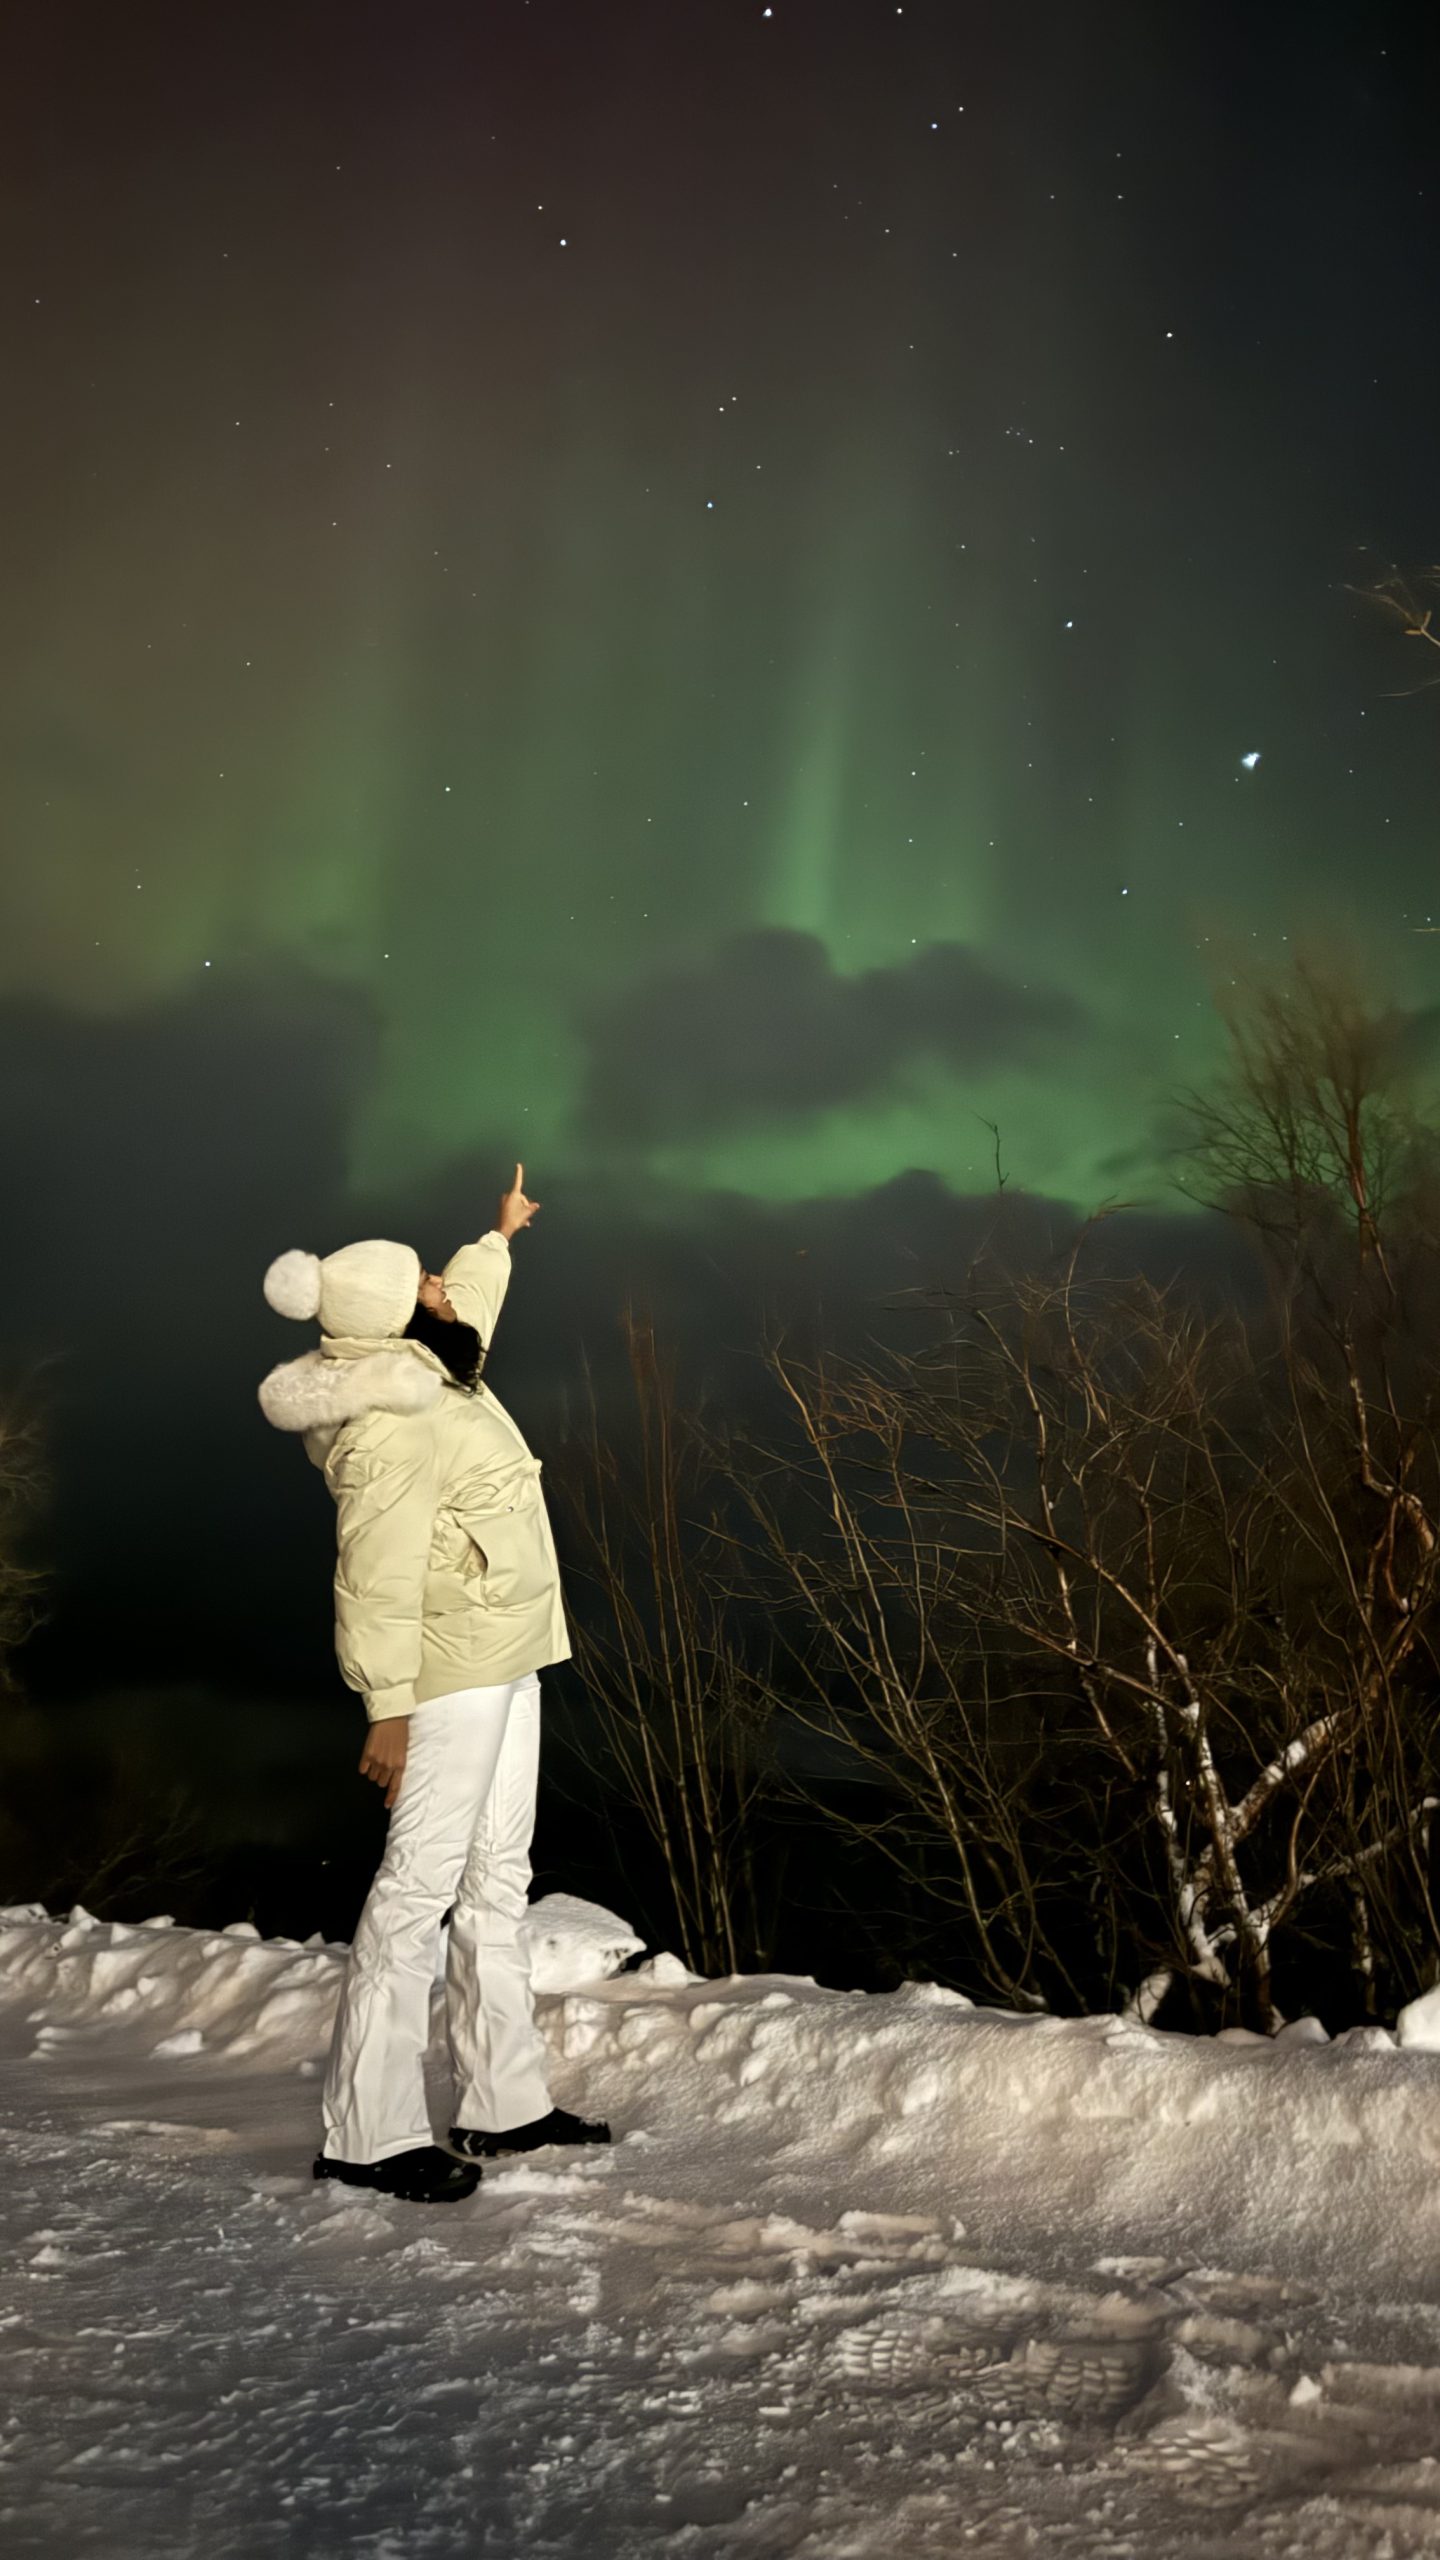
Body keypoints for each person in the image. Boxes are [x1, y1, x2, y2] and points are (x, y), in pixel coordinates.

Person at [258, 1164, 609, 2204]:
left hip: (510, 1654)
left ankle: (502, 2104)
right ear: (398, 1314)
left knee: (498, 1876)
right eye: (427, 1281)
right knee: (415, 1892)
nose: (443, 1285)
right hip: (449, 1676)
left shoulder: (434, 1357)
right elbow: (372, 1576)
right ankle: (366, 2133)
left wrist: (500, 1236)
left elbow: (474, 1298)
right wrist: (389, 1711)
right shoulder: (396, 1420)